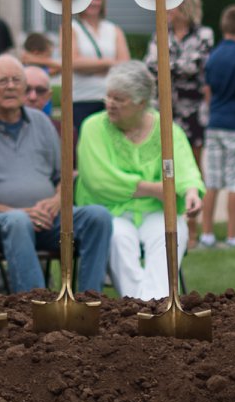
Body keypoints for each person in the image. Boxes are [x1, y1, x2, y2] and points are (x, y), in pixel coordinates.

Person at [0, 54, 113, 293]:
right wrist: (18, 212)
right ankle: (36, 308)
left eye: (16, 80)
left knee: (98, 216)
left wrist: (56, 201)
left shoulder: (43, 123)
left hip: (48, 219)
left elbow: (63, 179)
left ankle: (90, 302)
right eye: (2, 80)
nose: (11, 86)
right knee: (18, 222)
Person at [75, 62, 203, 299]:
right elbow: (99, 180)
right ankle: (139, 306)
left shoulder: (167, 130)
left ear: (141, 103)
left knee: (171, 232)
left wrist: (191, 192)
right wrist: (156, 189)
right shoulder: (93, 127)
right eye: (108, 96)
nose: (110, 104)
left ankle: (158, 303)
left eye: (120, 99)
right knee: (117, 237)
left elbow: (185, 168)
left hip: (156, 211)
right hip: (110, 211)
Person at [147, 0, 212, 246]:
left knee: (193, 167)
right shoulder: (159, 34)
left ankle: (193, 227)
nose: (167, 12)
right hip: (166, 110)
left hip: (194, 111)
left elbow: (197, 66)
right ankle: (170, 224)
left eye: (173, 7)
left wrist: (168, 65)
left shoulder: (204, 34)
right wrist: (176, 65)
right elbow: (151, 65)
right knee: (167, 165)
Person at [198, 6, 235, 248]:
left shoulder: (213, 55)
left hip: (215, 122)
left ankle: (207, 234)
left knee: (212, 182)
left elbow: (208, 92)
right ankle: (233, 236)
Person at [68, 0, 128, 134]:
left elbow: (125, 64)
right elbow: (72, 62)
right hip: (82, 98)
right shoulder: (71, 28)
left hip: (111, 99)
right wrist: (108, 63)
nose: (93, 3)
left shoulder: (114, 29)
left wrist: (88, 66)